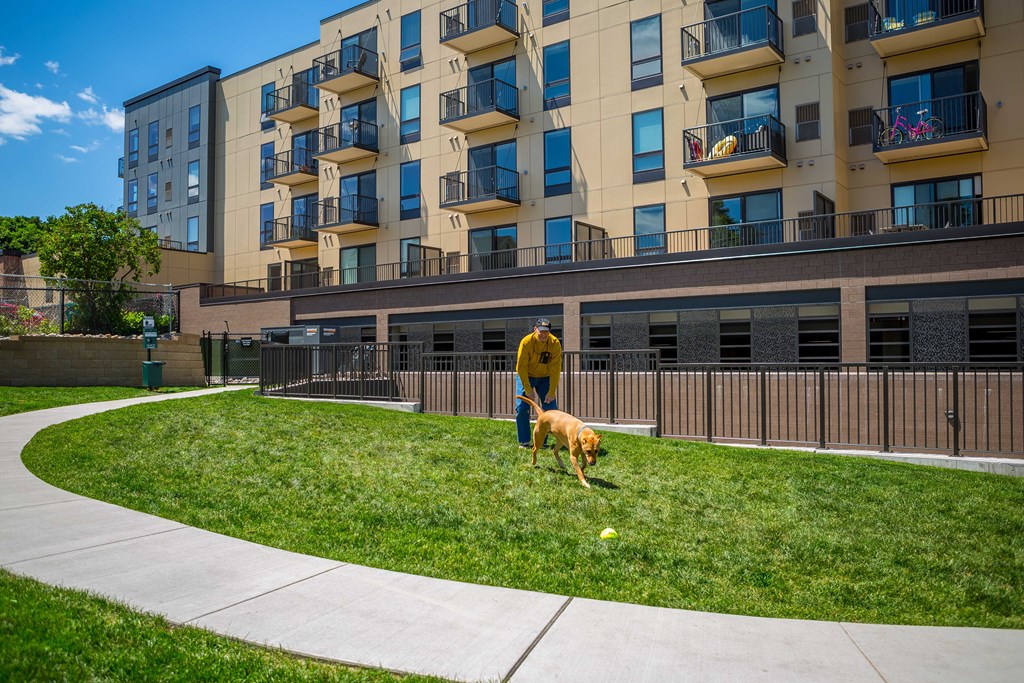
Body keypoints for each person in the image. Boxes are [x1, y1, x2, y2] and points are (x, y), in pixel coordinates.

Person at [515, 317, 562, 448]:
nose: (543, 335)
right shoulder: (526, 342)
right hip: (526, 376)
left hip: (545, 377)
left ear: (550, 332)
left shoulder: (555, 343)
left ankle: (542, 442)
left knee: (550, 409)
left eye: (546, 332)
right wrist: (528, 390)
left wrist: (552, 392)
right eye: (541, 331)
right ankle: (524, 441)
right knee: (522, 408)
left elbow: (555, 369)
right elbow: (521, 368)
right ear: (535, 329)